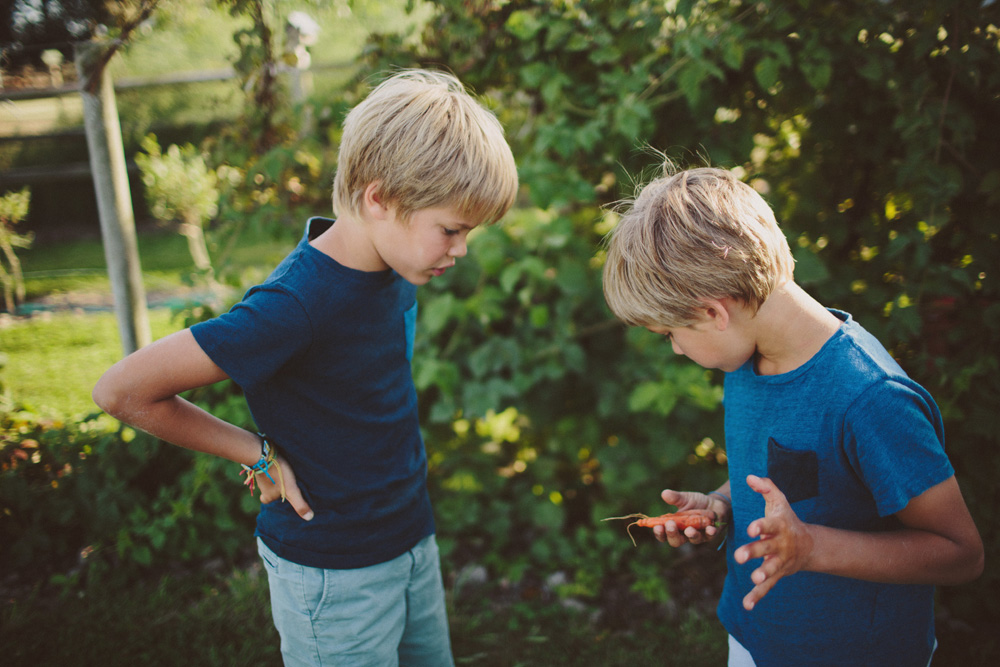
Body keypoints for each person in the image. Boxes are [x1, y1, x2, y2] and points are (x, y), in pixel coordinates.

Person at [93, 69, 518, 667]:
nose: (462, 249)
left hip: (409, 541)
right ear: (379, 199)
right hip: (333, 571)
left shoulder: (394, 264)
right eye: (451, 229)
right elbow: (122, 390)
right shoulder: (295, 305)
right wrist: (255, 453)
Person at [601, 165, 983, 666]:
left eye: (669, 333)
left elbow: (961, 553)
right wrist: (719, 504)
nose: (673, 349)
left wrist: (812, 548)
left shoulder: (870, 397)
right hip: (756, 635)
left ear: (715, 312)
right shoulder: (747, 357)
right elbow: (786, 480)